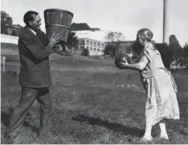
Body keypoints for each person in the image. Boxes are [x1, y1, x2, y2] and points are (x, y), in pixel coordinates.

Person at [4, 10, 63, 143]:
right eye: (37, 21)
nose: (40, 22)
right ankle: (10, 135)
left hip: (41, 79)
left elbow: (47, 41)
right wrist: (51, 45)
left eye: (40, 19)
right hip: (32, 80)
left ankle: (43, 135)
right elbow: (39, 54)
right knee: (23, 107)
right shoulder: (26, 36)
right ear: (30, 22)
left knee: (47, 106)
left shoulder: (37, 32)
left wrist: (55, 40)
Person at [120, 28, 180, 142]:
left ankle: (147, 135)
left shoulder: (147, 48)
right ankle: (163, 134)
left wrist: (127, 65)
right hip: (164, 79)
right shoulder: (153, 47)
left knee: (151, 106)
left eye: (138, 37)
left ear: (142, 38)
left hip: (157, 80)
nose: (137, 39)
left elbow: (142, 65)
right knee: (160, 106)